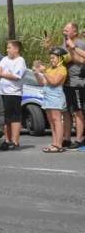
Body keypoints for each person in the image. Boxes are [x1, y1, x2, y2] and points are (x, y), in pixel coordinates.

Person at [45, 22, 85, 150]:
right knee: (66, 112)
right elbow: (59, 58)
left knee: (77, 112)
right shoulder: (65, 44)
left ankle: (78, 139)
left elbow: (79, 61)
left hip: (76, 82)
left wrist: (71, 49)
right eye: (63, 30)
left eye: (66, 30)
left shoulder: (80, 44)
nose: (64, 32)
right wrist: (51, 48)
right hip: (65, 83)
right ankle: (66, 139)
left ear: (75, 32)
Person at [0, 40, 26, 150]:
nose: (7, 50)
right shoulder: (5, 59)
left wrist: (1, 75)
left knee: (14, 118)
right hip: (3, 92)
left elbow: (16, 76)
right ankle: (7, 141)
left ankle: (15, 141)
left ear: (16, 49)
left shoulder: (20, 61)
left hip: (13, 93)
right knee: (5, 118)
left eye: (9, 48)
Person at [33, 48, 68, 152]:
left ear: (60, 58)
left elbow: (54, 82)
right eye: (51, 58)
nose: (51, 60)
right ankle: (54, 143)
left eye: (53, 58)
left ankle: (59, 145)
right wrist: (36, 73)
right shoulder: (50, 69)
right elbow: (42, 82)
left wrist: (44, 72)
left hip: (56, 95)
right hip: (47, 95)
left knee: (57, 120)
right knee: (51, 121)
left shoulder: (62, 69)